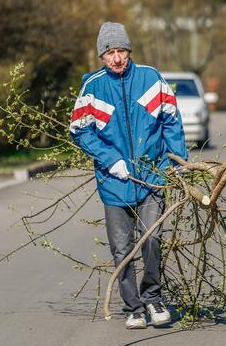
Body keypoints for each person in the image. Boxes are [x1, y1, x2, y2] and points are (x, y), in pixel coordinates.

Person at [70, 22, 188, 329]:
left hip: (151, 177)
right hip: (114, 183)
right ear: (101, 56)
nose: (117, 58)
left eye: (121, 51)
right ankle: (133, 307)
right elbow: (79, 130)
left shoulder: (151, 79)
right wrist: (110, 160)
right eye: (110, 53)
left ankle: (153, 298)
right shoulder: (93, 88)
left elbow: (171, 121)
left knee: (152, 238)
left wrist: (177, 161)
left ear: (129, 51)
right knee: (121, 249)